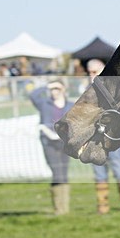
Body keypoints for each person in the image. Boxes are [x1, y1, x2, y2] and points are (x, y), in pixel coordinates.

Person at [86, 59, 120, 214]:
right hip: (94, 140)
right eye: (89, 72)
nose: (90, 75)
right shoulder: (87, 93)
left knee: (119, 169)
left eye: (94, 72)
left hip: (112, 139)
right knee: (99, 173)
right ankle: (102, 207)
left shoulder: (114, 91)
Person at [30, 80, 73, 215]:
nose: (55, 91)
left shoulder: (71, 105)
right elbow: (33, 95)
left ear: (63, 89)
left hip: (65, 143)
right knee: (57, 172)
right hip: (49, 142)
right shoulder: (44, 104)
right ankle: (58, 207)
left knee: (63, 173)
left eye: (57, 88)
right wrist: (46, 86)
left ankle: (64, 207)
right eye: (52, 89)